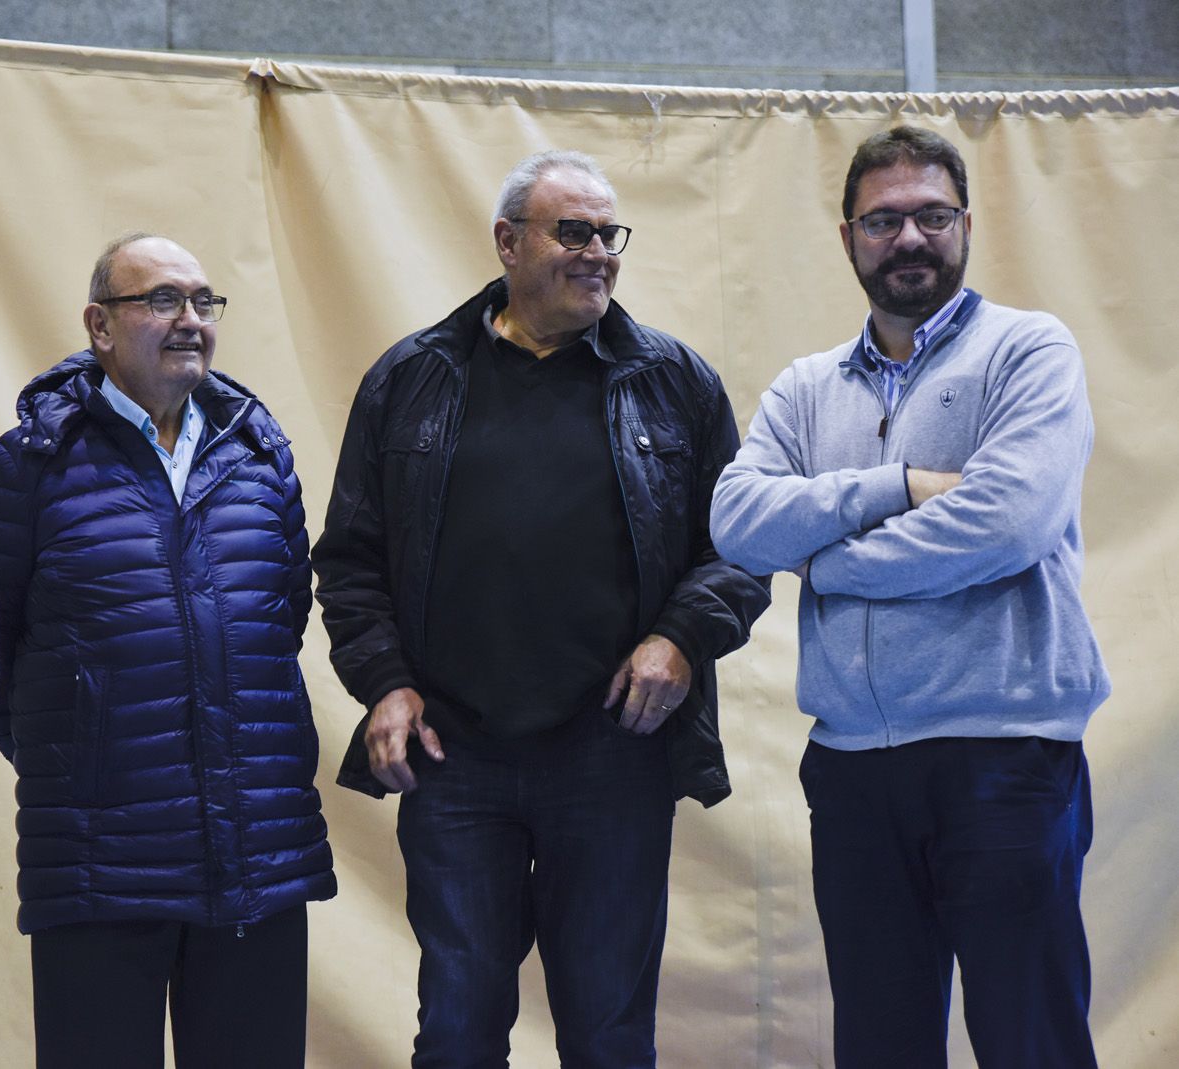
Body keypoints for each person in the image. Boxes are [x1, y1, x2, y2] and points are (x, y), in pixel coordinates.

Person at [312, 150, 769, 1067]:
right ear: (508, 242)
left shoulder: (674, 383)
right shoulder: (411, 380)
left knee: (606, 1031)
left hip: (614, 755)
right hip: (455, 757)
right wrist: (386, 684)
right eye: (574, 232)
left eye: (610, 234)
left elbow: (743, 549)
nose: (598, 251)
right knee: (458, 1027)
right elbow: (351, 561)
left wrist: (680, 639)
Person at [710, 125, 1108, 1068]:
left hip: (1006, 759)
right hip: (854, 772)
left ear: (965, 225)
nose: (910, 238)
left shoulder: (1029, 352)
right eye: (883, 220)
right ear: (848, 238)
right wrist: (894, 487)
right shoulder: (807, 389)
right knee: (882, 1047)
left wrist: (831, 562)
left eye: (932, 215)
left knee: (1031, 1040)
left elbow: (1004, 524)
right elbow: (736, 521)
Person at [0, 233, 335, 1068]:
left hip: (256, 850)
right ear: (100, 324)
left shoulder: (259, 452)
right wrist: (79, 757)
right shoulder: (30, 463)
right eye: (163, 300)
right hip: (98, 866)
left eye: (204, 302)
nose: (190, 321)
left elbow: (283, 618)